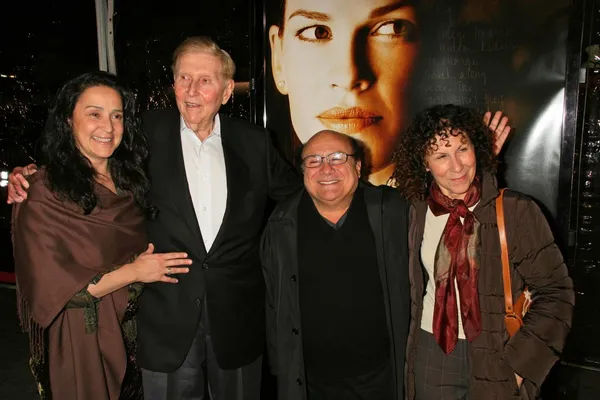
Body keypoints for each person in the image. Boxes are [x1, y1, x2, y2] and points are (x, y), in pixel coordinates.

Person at [11, 71, 191, 400]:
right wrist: (136, 271)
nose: (107, 127)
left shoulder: (131, 182)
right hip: (84, 338)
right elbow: (58, 290)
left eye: (116, 115)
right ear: (68, 120)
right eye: (94, 113)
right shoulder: (43, 191)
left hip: (140, 336)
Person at [391, 104, 574, 399]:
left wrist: (522, 364)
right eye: (441, 156)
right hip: (432, 351)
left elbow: (556, 293)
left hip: (499, 352)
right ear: (424, 163)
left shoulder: (515, 210)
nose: (457, 166)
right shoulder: (416, 211)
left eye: (463, 149)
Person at [267, 0, 511, 184]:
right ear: (278, 59)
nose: (349, 75)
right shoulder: (280, 221)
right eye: (316, 32)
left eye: (391, 29)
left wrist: (475, 178)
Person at [261, 130, 410, 400]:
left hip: (383, 378)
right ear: (303, 170)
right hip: (309, 382)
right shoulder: (280, 224)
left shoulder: (393, 211)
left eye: (337, 157)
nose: (326, 168)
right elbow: (273, 304)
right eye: (314, 160)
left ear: (358, 165)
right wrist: (281, 369)